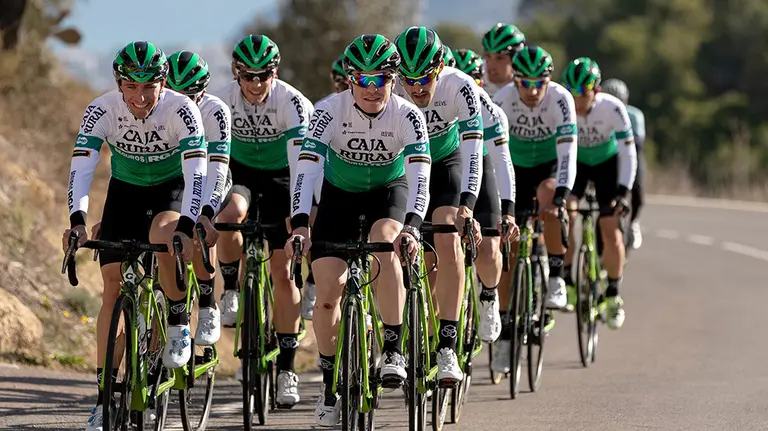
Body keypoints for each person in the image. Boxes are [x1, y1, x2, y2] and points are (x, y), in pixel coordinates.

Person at [285, 33, 431, 427]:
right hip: (340, 197)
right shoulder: (327, 111)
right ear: (349, 80)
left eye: (380, 79)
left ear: (394, 80)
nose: (371, 88)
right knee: (328, 294)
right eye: (362, 79)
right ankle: (331, 382)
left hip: (389, 193)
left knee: (385, 242)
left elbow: (420, 177)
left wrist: (413, 227)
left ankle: (393, 346)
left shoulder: (407, 115)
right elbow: (306, 170)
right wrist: (301, 224)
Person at [62, 41, 208, 431]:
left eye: (150, 87)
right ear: (119, 83)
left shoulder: (182, 109)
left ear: (163, 84)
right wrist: (77, 219)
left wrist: (187, 224)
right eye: (132, 86)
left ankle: (177, 320)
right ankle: (103, 400)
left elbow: (197, 171)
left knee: (164, 235)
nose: (141, 97)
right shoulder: (101, 109)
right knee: (111, 289)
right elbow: (82, 167)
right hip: (124, 193)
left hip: (170, 190)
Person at [210, 34, 314, 407]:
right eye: (247, 76)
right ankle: (232, 288)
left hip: (282, 178)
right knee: (231, 216)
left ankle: (286, 368)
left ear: (275, 72)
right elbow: (214, 158)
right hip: (238, 173)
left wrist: (297, 215)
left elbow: (300, 168)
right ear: (236, 73)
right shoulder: (221, 99)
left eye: (263, 75)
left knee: (283, 273)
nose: (255, 84)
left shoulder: (293, 103)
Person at [394, 26, 484, 384]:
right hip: (401, 165)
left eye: (425, 78)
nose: (416, 88)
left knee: (446, 238)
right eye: (409, 79)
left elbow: (473, 150)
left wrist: (468, 205)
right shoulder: (388, 85)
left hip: (445, 161)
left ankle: (447, 344)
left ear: (441, 67)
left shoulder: (460, 86)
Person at [490, 45, 578, 373]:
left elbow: (569, 151)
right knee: (508, 248)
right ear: (515, 80)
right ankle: (506, 330)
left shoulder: (560, 98)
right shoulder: (502, 100)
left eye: (538, 82)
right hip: (513, 169)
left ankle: (555, 274)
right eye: (523, 82)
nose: (531, 90)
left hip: (548, 167)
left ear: (549, 79)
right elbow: (491, 157)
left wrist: (562, 196)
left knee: (551, 199)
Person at [559, 58, 636, 328]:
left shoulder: (613, 109)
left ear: (597, 90)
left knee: (610, 225)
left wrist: (623, 192)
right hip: (577, 164)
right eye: (573, 95)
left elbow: (628, 152)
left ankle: (613, 294)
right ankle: (567, 280)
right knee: (565, 215)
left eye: (584, 95)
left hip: (606, 165)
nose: (578, 103)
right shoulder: (563, 106)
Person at [166, 49, 234, 346]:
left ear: (203, 92)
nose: (182, 101)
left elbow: (219, 167)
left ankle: (207, 304)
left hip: (209, 175)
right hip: (173, 176)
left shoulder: (216, 110)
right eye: (174, 92)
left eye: (190, 95)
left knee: (199, 228)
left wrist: (206, 212)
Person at [452, 47, 520, 343]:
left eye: (476, 79)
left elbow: (503, 161)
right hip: (448, 171)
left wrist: (508, 210)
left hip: (482, 167)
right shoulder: (434, 101)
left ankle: (489, 297)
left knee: (491, 248)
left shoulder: (489, 109)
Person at [601, 78, 645, 251]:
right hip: (608, 156)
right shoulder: (599, 113)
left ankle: (633, 221)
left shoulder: (635, 115)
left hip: (630, 152)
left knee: (638, 189)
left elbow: (638, 145)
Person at [481, 23, 526, 97]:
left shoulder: (527, 83)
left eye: (499, 58)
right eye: (488, 56)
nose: (491, 64)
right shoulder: (474, 76)